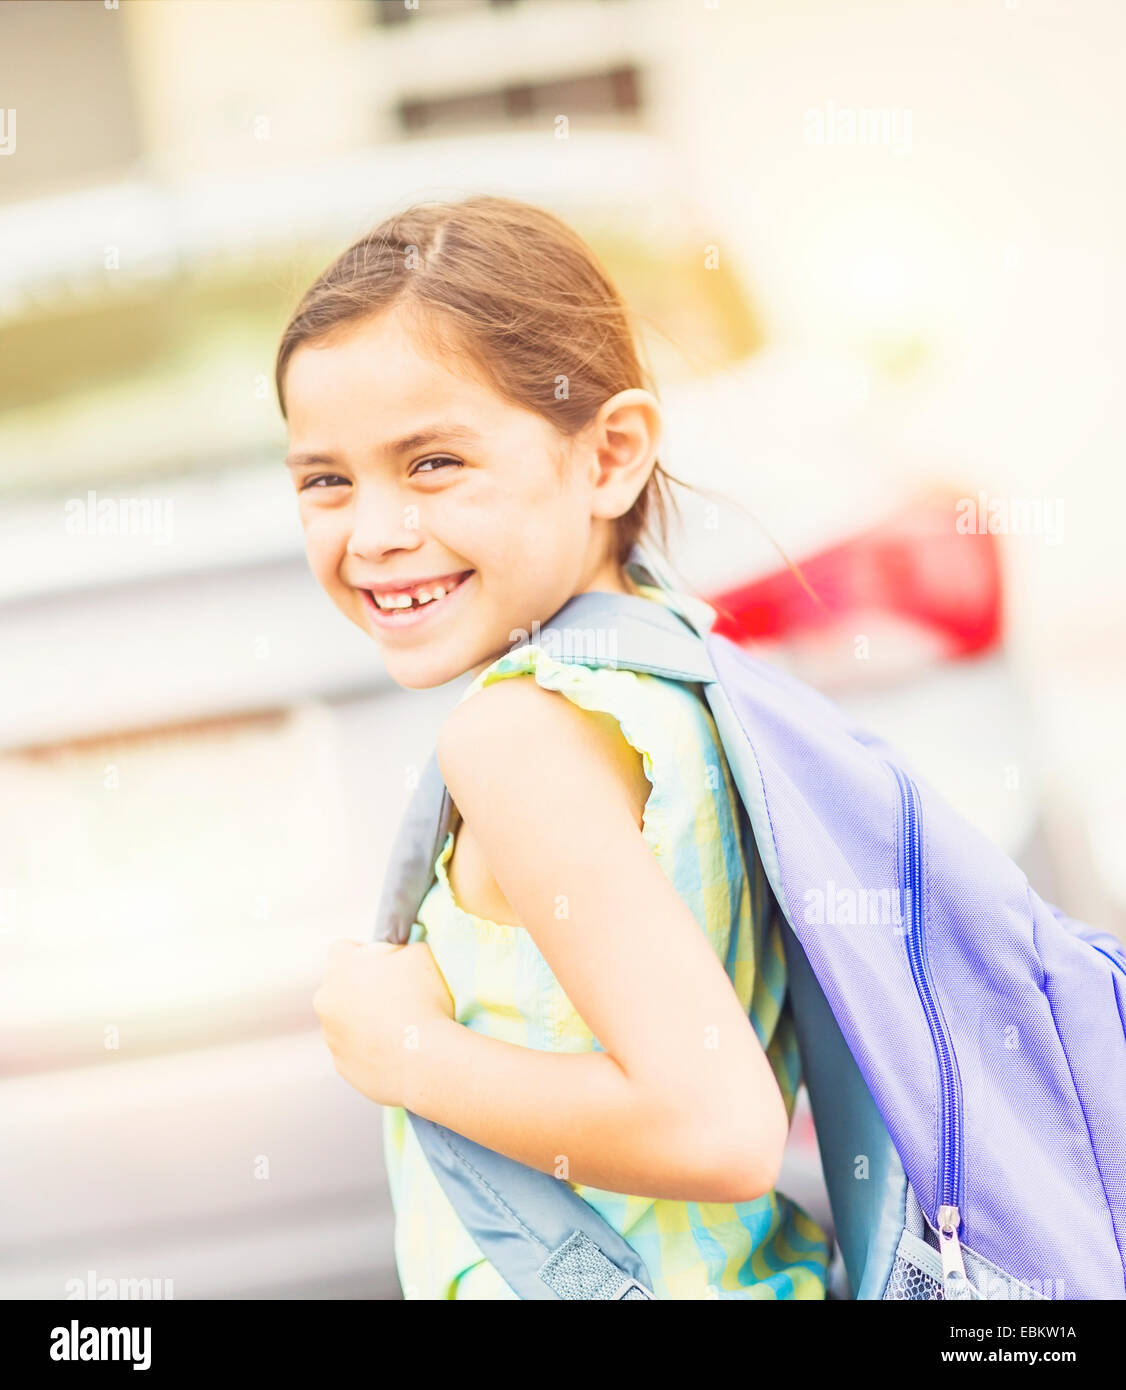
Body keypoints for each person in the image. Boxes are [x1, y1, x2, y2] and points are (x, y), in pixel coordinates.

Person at [277, 194, 831, 1299]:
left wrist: (402, 1053)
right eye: (325, 478)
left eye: (433, 462)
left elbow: (717, 1130)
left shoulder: (521, 737)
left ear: (610, 454)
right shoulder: (673, 662)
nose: (374, 532)